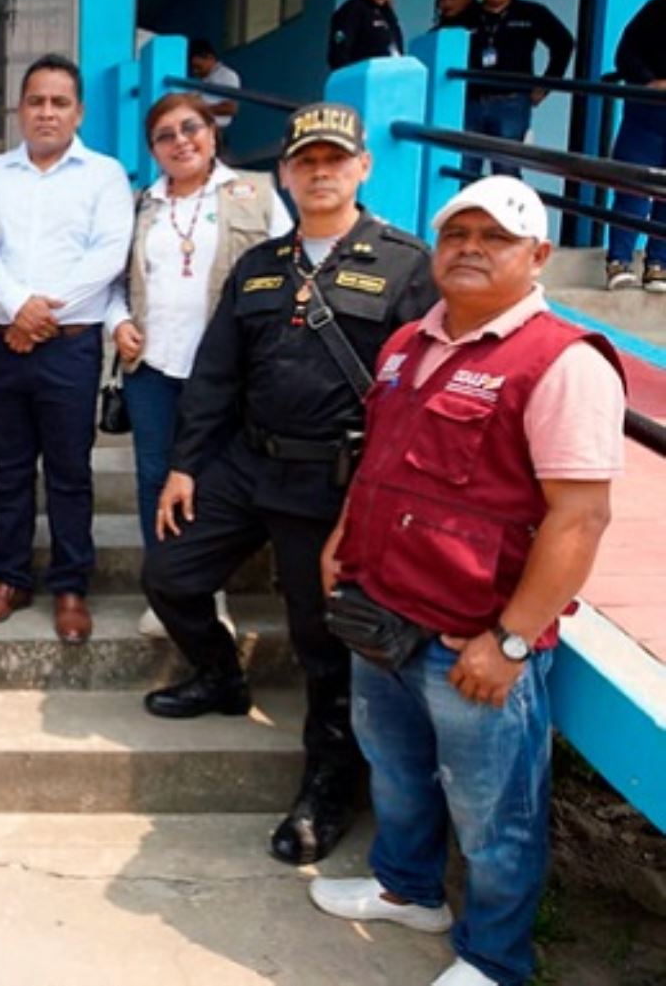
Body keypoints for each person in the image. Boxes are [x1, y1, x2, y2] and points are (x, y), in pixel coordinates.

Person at [309, 176, 626, 986]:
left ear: (538, 255)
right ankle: (408, 888)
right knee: (398, 772)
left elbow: (579, 517)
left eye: (497, 237)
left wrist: (513, 638)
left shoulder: (561, 361)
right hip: (382, 610)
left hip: (472, 638)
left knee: (495, 814)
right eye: (458, 235)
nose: (472, 249)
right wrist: (345, 536)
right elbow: (378, 457)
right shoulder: (408, 343)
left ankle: (494, 957)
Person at [141, 102, 437, 867]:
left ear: (362, 167)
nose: (320, 172)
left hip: (335, 477)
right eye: (306, 161)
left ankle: (329, 780)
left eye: (335, 159)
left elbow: (420, 393)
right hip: (246, 463)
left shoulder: (408, 265)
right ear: (285, 173)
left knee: (320, 638)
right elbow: (216, 374)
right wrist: (184, 463)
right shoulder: (261, 263)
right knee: (170, 574)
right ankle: (219, 675)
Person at [110, 93, 293, 640]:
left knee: (214, 481)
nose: (180, 141)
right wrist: (116, 324)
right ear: (153, 150)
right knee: (153, 477)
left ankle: (208, 591)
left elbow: (289, 270)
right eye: (165, 135)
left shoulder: (258, 195)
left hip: (229, 372)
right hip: (154, 366)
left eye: (191, 128)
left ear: (213, 134)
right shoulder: (142, 204)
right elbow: (115, 283)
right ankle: (164, 589)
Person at [0, 55, 133, 642]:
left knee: (69, 471)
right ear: (20, 108)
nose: (46, 112)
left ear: (78, 111)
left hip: (69, 348)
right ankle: (10, 578)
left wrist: (36, 314)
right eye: (35, 100)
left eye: (59, 102)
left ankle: (70, 584)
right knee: (8, 470)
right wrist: (16, 308)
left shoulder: (106, 176)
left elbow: (108, 257)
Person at [463, 0, 576, 179]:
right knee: (465, 168)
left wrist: (545, 85)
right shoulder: (467, 15)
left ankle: (507, 215)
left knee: (507, 169)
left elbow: (564, 43)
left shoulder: (531, 12)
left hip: (512, 102)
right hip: (470, 100)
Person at [604, 0, 666, 291]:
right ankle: (619, 260)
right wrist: (651, 81)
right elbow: (626, 54)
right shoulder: (657, 9)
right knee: (632, 187)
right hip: (648, 113)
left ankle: (658, 265)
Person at [187, 38, 241, 130]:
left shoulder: (226, 75)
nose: (195, 71)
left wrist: (198, 110)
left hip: (214, 129)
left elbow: (231, 108)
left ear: (210, 58)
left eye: (198, 67)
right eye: (193, 68)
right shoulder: (201, 79)